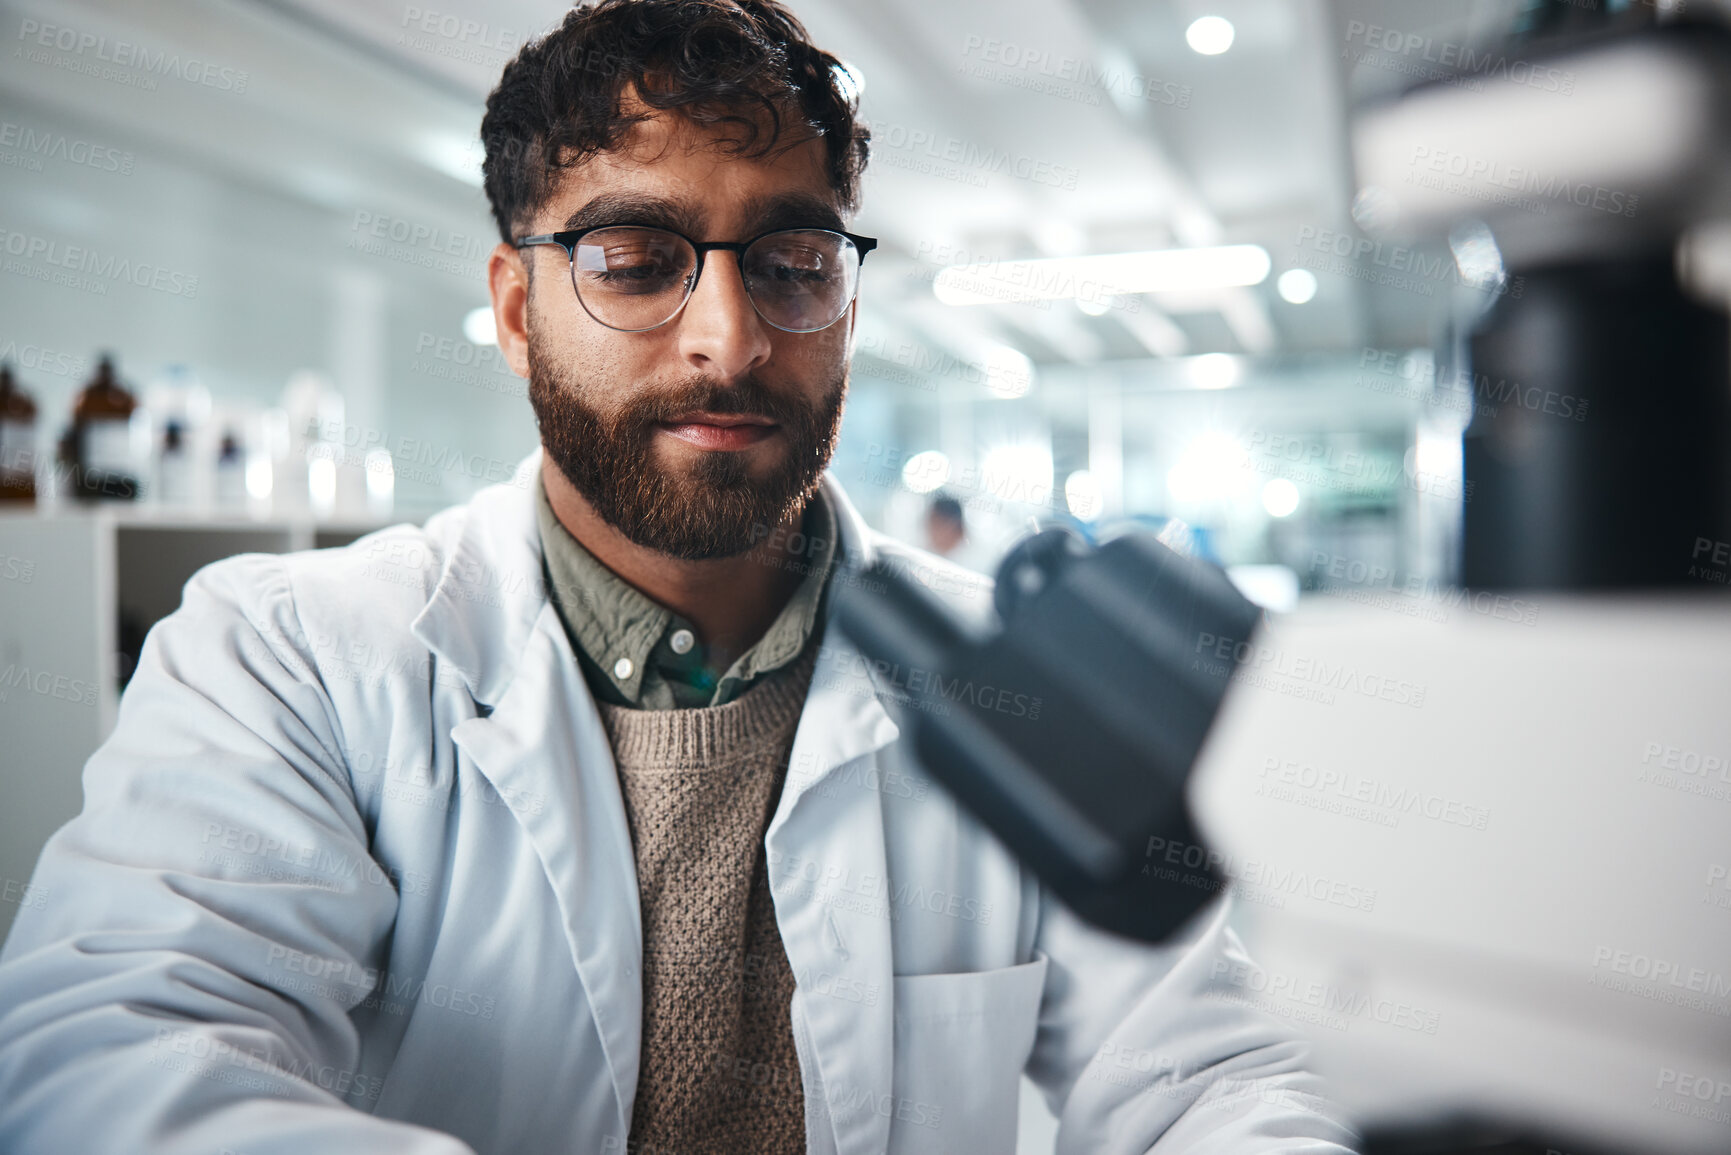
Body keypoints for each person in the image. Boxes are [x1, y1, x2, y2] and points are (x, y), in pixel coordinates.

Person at [0, 3, 1359, 1152]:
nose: (729, 335)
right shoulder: (288, 657)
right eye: (640, 262)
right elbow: (117, 1065)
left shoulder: (1009, 685)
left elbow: (1212, 1084)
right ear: (520, 305)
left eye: (791, 262)